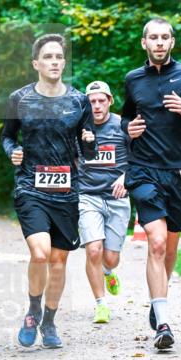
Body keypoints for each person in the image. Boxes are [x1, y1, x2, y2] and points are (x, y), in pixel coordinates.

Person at [120, 18, 181, 350]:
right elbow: (124, 117)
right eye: (153, 37)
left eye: (165, 37)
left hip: (180, 172)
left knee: (170, 246)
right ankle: (163, 323)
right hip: (144, 169)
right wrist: (127, 129)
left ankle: (157, 299)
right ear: (143, 43)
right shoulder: (133, 79)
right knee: (157, 243)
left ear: (172, 42)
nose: (159, 43)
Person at [1, 33, 94, 349]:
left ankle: (50, 320)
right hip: (31, 187)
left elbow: (87, 150)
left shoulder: (80, 101)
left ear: (64, 62)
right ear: (36, 63)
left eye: (59, 57)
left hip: (67, 192)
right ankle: (33, 310)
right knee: (39, 253)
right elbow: (7, 137)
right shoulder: (20, 99)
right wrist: (12, 151)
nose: (54, 62)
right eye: (48, 57)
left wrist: (89, 144)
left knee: (59, 262)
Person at [77, 80, 132, 324]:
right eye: (92, 102)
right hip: (88, 196)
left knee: (110, 258)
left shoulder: (123, 125)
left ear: (110, 100)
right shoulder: (78, 129)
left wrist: (126, 177)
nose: (97, 106)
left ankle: (109, 272)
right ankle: (101, 305)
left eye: (101, 100)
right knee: (93, 249)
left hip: (118, 199)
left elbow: (141, 157)